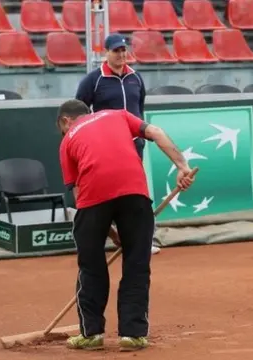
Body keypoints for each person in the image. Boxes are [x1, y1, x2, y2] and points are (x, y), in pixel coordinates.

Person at [56, 99, 195, 351]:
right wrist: (182, 167)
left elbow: (79, 197)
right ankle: (132, 334)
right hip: (134, 194)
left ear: (66, 121)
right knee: (137, 265)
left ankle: (91, 334)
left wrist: (110, 233)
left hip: (93, 199)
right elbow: (155, 132)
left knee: (91, 267)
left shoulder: (67, 141)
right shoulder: (117, 114)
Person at [75, 33, 161, 255]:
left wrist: (140, 137)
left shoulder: (136, 78)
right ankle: (107, 236)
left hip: (134, 146)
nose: (121, 54)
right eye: (116, 51)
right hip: (105, 149)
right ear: (106, 53)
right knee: (109, 193)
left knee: (136, 194)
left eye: (123, 50)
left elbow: (139, 109)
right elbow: (79, 113)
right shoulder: (93, 80)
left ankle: (140, 240)